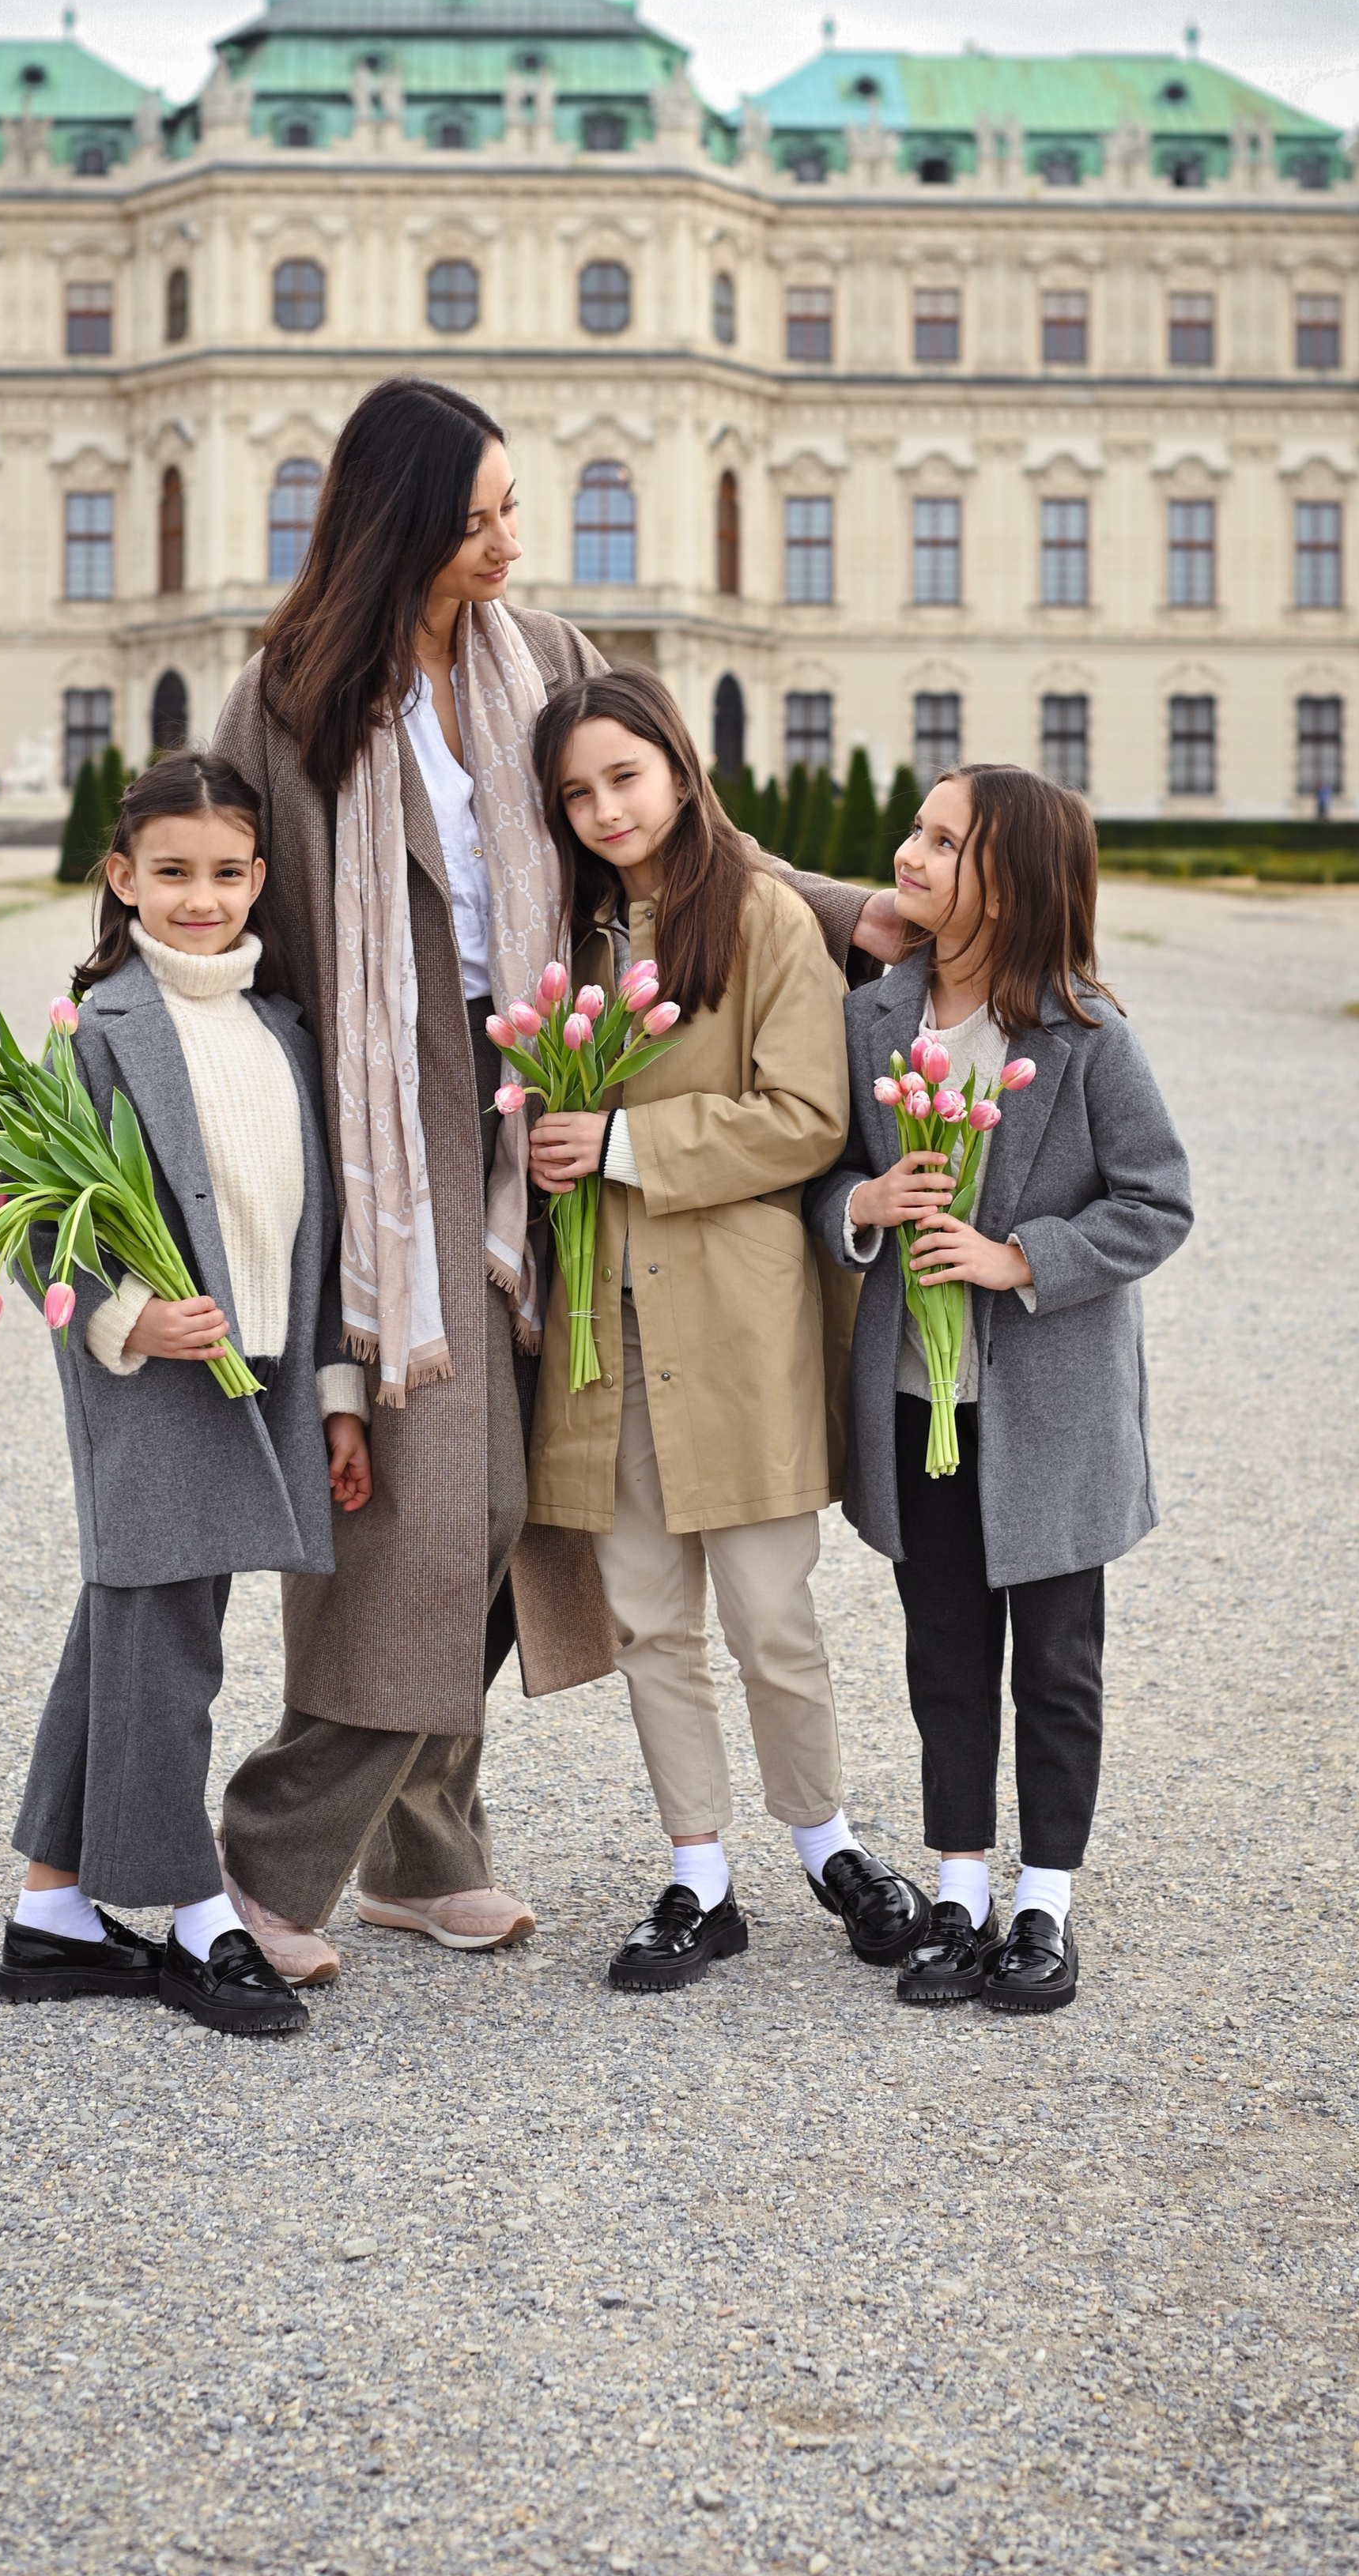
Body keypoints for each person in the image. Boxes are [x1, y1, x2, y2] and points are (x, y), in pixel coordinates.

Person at [211, 375, 895, 1982]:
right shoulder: (289, 695)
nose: (516, 538)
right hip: (384, 1111)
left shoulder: (544, 658)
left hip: (549, 1095)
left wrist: (857, 906)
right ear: (397, 530)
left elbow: (680, 836)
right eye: (480, 519)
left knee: (535, 1502)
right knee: (457, 1499)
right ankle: (267, 1855)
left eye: (515, 504)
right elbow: (217, 890)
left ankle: (426, 1849)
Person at [524, 669, 933, 1990]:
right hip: (608, 1318)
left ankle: (825, 1842)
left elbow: (808, 1117)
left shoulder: (759, 915)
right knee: (647, 1611)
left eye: (622, 778)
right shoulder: (573, 935)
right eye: (576, 793)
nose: (602, 810)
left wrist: (625, 1141)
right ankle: (699, 1875)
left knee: (771, 1608)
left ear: (678, 765)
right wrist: (550, 1157)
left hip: (738, 1310)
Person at [0, 752, 372, 2039]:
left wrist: (335, 1396)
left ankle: (52, 1914)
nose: (201, 897)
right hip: (151, 1376)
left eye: (224, 873)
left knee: (131, 1621)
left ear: (259, 878)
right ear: (124, 880)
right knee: (172, 1643)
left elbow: (315, 1237)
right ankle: (194, 1917)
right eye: (172, 874)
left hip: (261, 1372)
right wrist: (127, 1316)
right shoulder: (96, 1028)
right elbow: (32, 1218)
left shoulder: (282, 1028)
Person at [805, 765, 1192, 2015]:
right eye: (914, 829)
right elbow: (819, 1184)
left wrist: (1018, 1258)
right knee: (946, 1651)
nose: (908, 852)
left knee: (1058, 1664)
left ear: (1010, 883)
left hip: (1052, 1414)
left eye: (942, 840)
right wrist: (863, 1208)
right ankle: (963, 1888)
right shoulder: (875, 1019)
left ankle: (1046, 1903)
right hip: (920, 1407)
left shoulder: (1084, 1037)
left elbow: (1158, 1201)